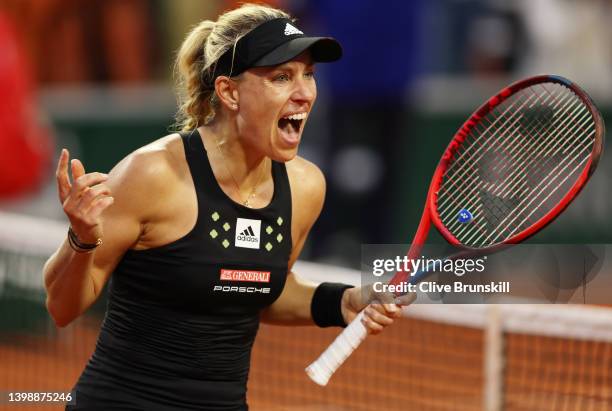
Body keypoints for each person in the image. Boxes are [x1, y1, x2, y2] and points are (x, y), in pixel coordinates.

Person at [43, 4, 413, 410]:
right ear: (229, 91)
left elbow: (259, 286)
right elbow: (62, 308)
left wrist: (340, 301)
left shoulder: (306, 187)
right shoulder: (152, 175)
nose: (305, 92)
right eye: (281, 77)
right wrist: (80, 239)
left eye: (309, 75)